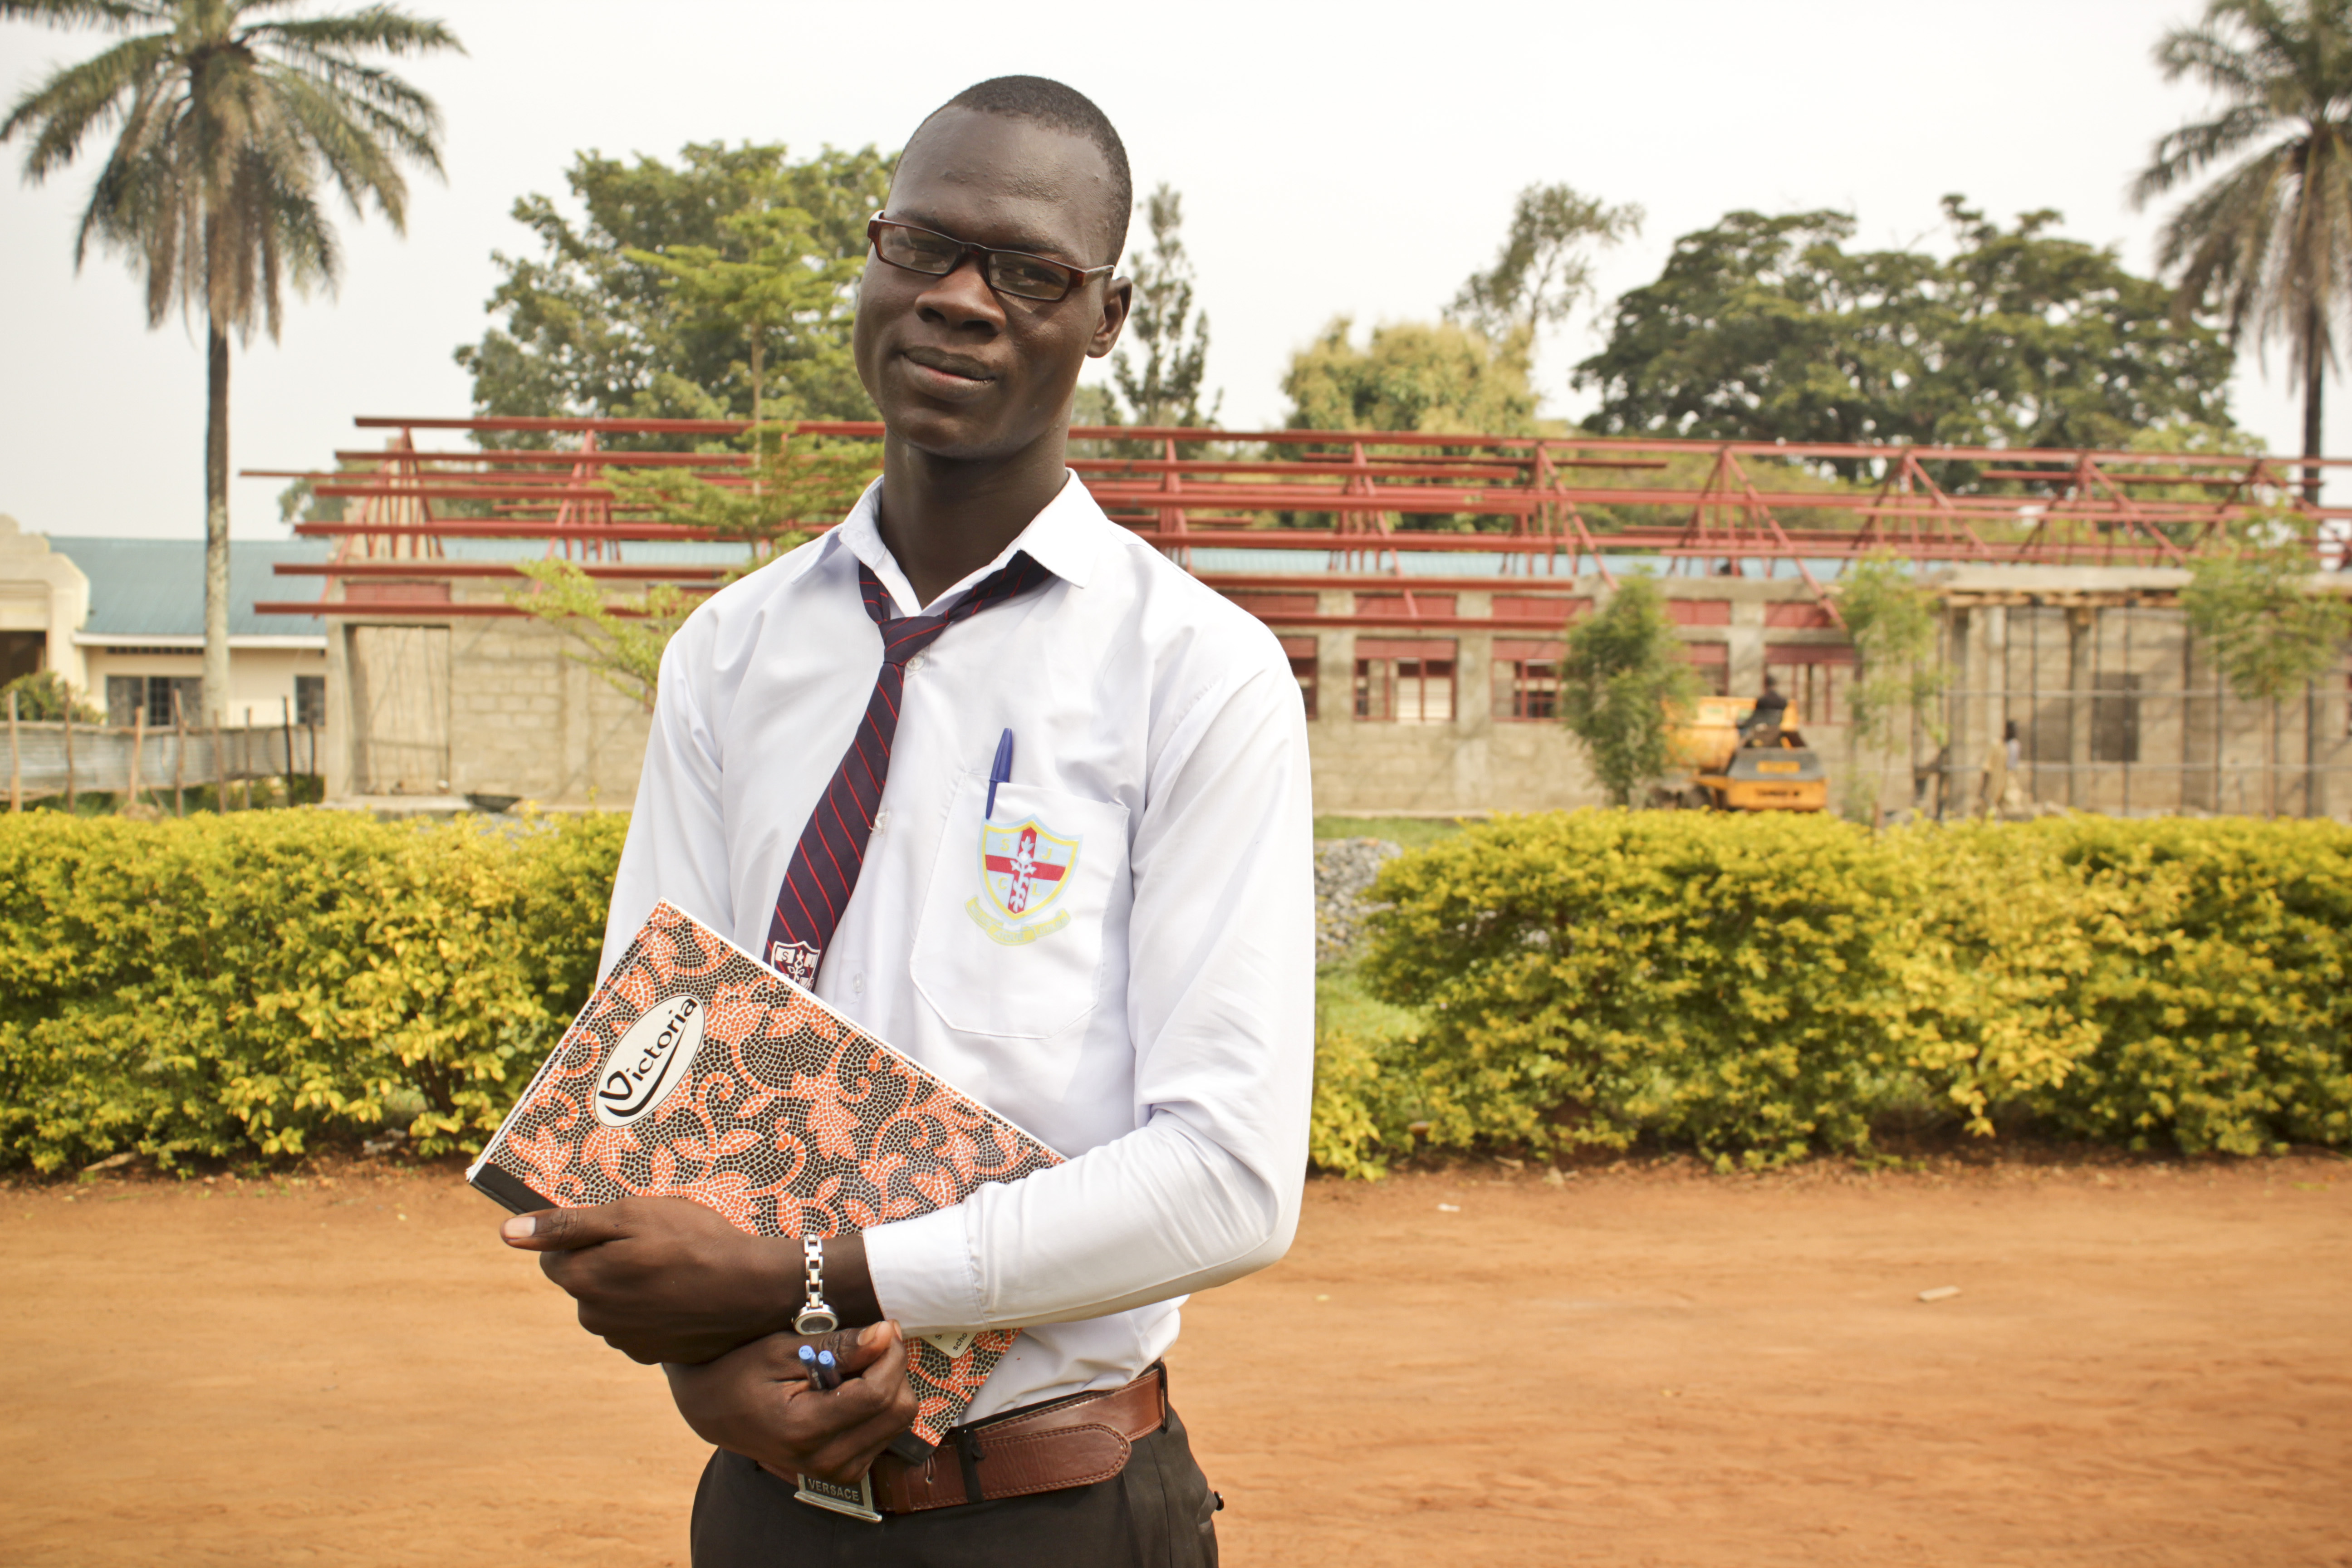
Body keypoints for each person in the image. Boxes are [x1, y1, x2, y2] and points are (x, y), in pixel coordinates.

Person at [491, 76, 1313, 1566]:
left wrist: (818, 1276)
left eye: (1027, 272)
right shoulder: (730, 653)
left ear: (1107, 313)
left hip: (1054, 1512)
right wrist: (705, 1371)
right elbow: (639, 1092)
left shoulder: (1193, 671)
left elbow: (1229, 1177)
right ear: (869, 259)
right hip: (767, 1512)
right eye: (921, 246)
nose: (959, 301)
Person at [1737, 674, 1789, 745]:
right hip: (1776, 728)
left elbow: (1754, 717)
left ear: (1765, 684)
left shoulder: (1763, 701)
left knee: (1743, 729)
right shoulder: (1783, 701)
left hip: (1761, 729)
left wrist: (1743, 723)